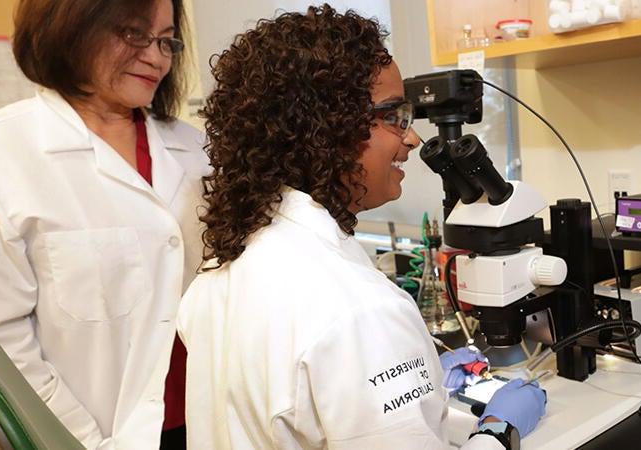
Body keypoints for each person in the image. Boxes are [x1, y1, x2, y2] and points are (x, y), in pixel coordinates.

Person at [177, 7, 546, 450]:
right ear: (324, 127)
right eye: (394, 115)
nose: (411, 138)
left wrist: (414, 373)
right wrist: (496, 431)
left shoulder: (224, 267)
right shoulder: (358, 310)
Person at [0, 0, 202, 447]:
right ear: (70, 26)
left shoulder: (193, 149)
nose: (156, 57)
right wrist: (78, 440)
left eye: (166, 40)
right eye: (133, 33)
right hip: (95, 435)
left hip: (208, 418)